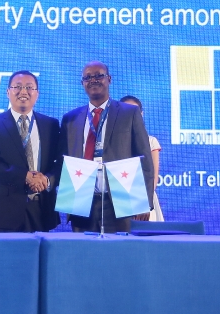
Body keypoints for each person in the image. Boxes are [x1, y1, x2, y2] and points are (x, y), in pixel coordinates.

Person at [60, 62, 155, 233]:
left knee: (119, 250)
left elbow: (145, 160)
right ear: (82, 83)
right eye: (88, 77)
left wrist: (144, 202)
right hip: (81, 200)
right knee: (82, 249)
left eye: (99, 75)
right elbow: (64, 160)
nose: (93, 80)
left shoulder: (129, 113)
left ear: (109, 79)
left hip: (122, 199)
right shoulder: (70, 118)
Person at [0, 70, 62, 231]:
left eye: (29, 87)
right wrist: (25, 176)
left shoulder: (51, 125)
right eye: (17, 86)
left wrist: (47, 180)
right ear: (8, 92)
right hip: (4, 212)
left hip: (42, 210)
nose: (23, 92)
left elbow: (60, 162)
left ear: (37, 94)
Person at [121, 96, 164, 222]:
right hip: (118, 199)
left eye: (134, 112)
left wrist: (142, 203)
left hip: (144, 201)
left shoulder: (151, 141)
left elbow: (153, 178)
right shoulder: (110, 143)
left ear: (141, 114)